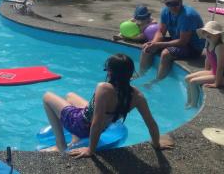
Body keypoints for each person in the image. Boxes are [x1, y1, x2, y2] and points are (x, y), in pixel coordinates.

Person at [41, 54, 173, 156]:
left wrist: (90, 150)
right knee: (70, 95)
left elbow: (96, 122)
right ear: (130, 73)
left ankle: (60, 145)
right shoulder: (138, 96)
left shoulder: (103, 88)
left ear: (110, 72)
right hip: (103, 126)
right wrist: (156, 144)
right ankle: (76, 140)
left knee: (47, 96)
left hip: (81, 125)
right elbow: (151, 123)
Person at [140, 0, 205, 80]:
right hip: (177, 40)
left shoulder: (187, 16)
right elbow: (161, 31)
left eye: (175, 3)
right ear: (165, 4)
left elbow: (183, 42)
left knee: (166, 53)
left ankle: (157, 81)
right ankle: (141, 76)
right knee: (147, 48)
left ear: (181, 2)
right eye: (169, 4)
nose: (172, 7)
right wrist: (153, 43)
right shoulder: (165, 11)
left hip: (192, 47)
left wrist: (158, 45)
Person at [185, 21, 224, 108]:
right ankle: (189, 100)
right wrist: (205, 72)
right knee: (187, 78)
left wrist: (216, 84)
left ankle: (194, 105)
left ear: (218, 35)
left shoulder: (219, 47)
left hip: (223, 77)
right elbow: (208, 59)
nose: (207, 34)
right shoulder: (208, 43)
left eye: (211, 32)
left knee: (193, 82)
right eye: (206, 32)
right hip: (214, 72)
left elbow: (221, 67)